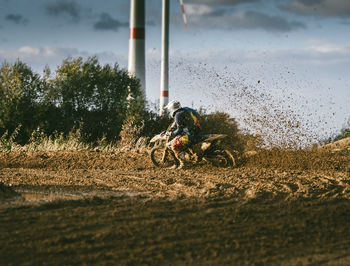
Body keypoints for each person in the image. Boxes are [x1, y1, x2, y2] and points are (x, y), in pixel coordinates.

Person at [164, 100, 202, 169]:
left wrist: (171, 133)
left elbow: (179, 130)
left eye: (169, 110)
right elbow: (196, 113)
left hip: (190, 135)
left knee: (174, 146)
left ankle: (183, 164)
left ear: (172, 109)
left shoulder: (177, 115)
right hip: (198, 130)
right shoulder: (186, 109)